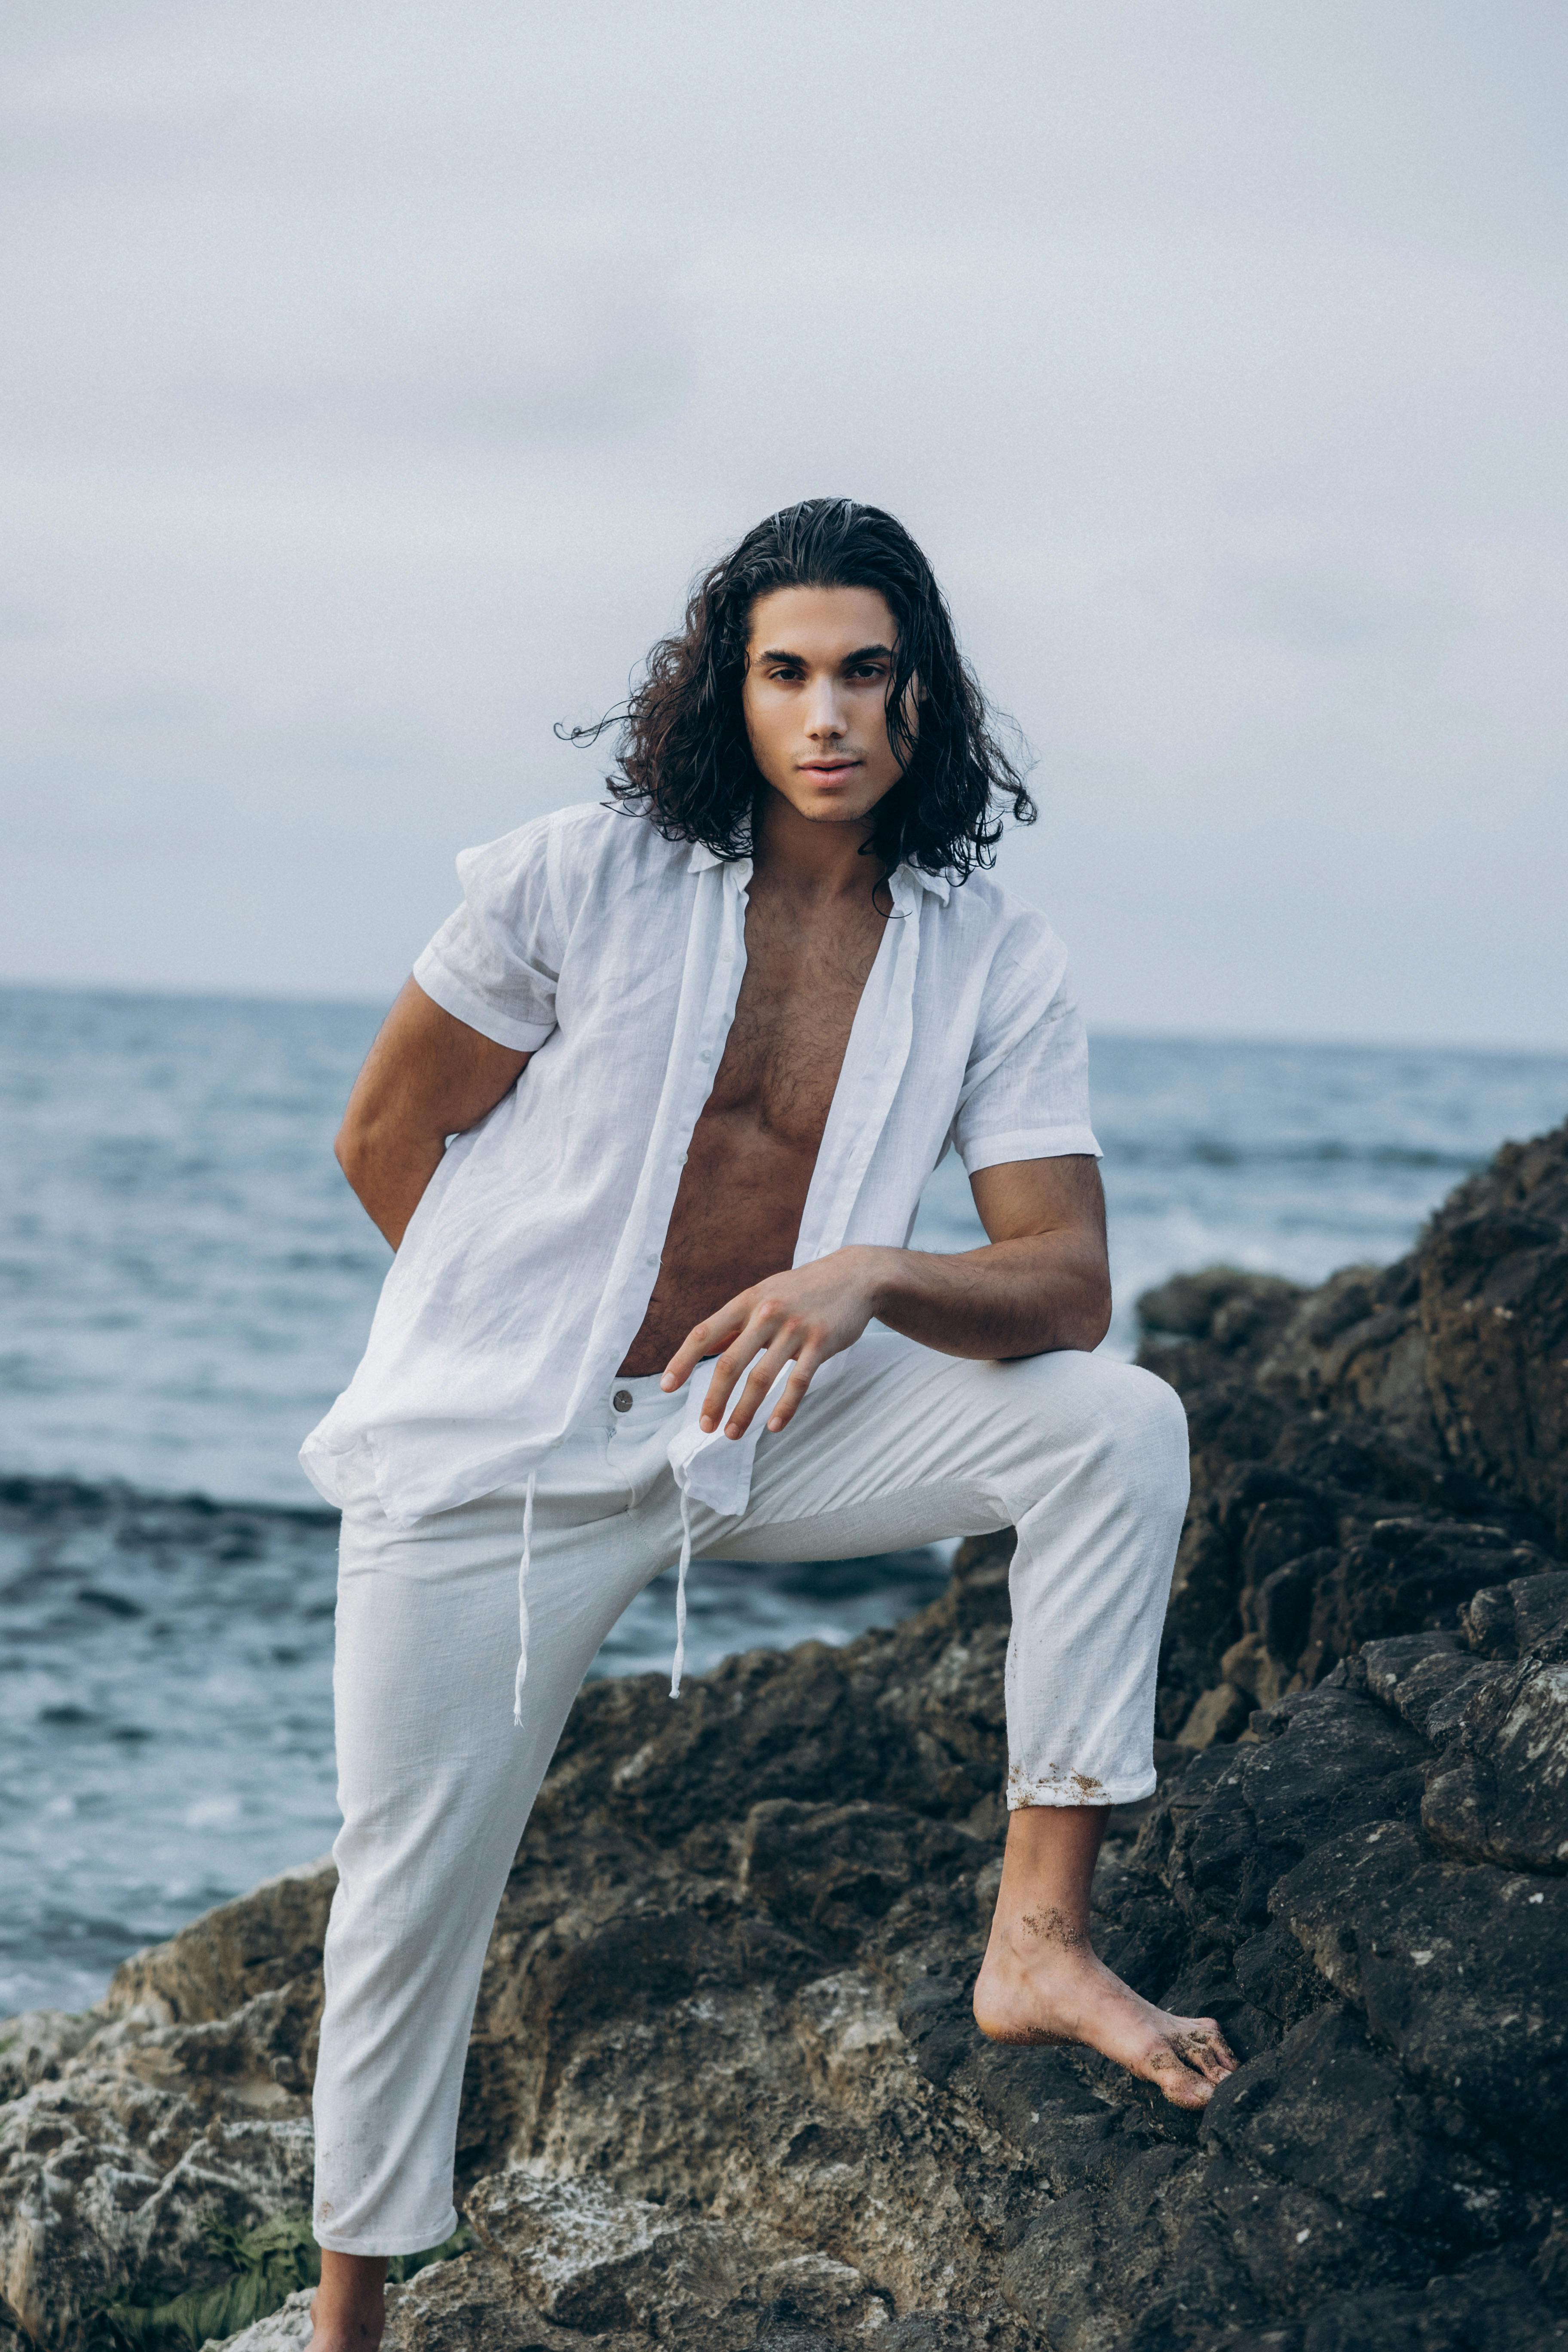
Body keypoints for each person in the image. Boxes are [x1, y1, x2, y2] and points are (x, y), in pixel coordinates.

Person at [298, 498, 1236, 2351]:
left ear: (921, 697)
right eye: (786, 673)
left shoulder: (988, 956)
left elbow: (1064, 1284)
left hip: (769, 1425)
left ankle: (1037, 1939)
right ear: (729, 693)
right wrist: (528, 1340)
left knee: (1115, 1424)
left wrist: (869, 1278)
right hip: (500, 1462)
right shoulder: (576, 876)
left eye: (865, 674)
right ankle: (346, 2329)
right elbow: (383, 1138)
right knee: (410, 1901)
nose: (828, 718)